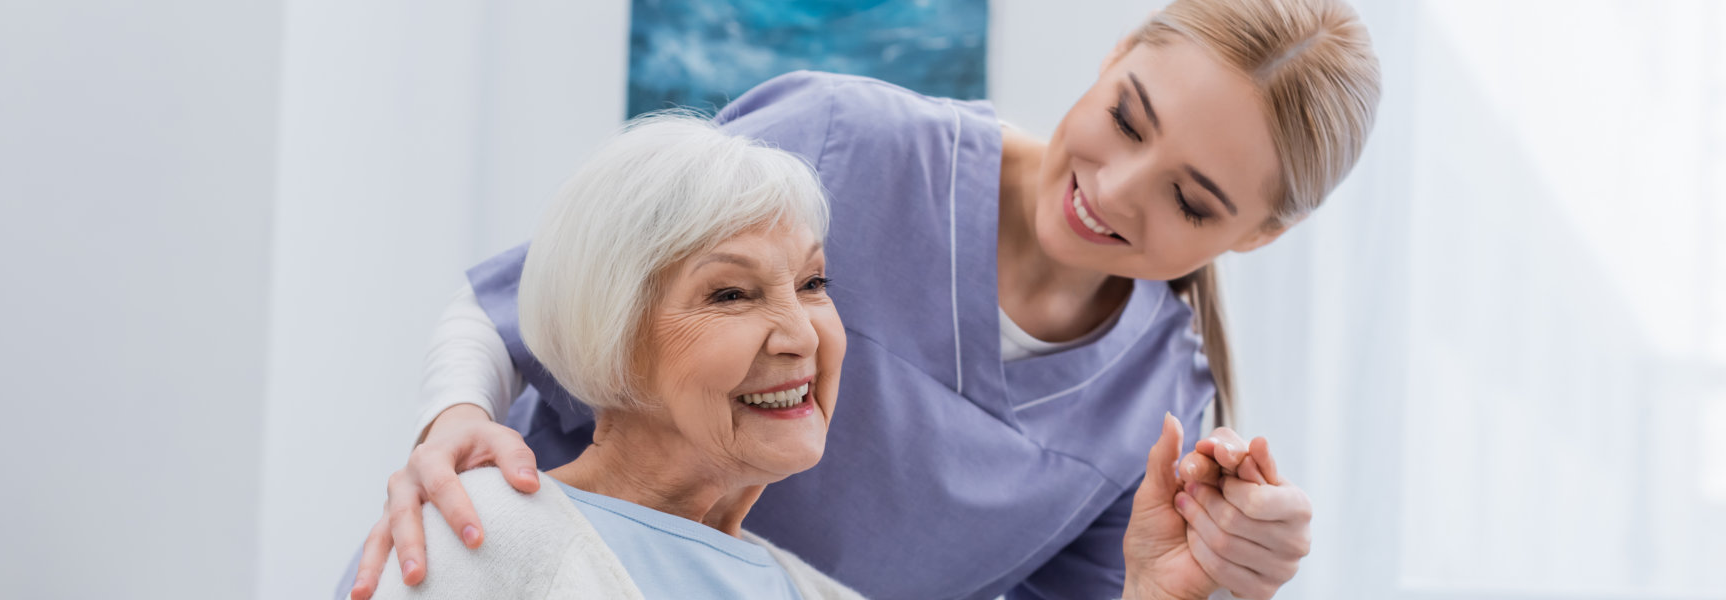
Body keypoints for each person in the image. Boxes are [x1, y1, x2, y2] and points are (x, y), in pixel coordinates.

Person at [354, 0, 1379, 597]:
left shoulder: (1153, 412)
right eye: (1127, 116)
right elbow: (520, 303)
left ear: (1258, 235)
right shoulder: (850, 142)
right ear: (1113, 57)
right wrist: (452, 435)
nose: (1112, 190)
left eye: (1190, 202)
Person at [364, 114, 864, 599]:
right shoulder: (487, 534)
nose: (803, 336)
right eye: (731, 294)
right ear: (612, 336)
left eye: (812, 284)